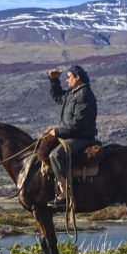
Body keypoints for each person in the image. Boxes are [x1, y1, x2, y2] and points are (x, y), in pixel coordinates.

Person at [44, 64, 98, 208]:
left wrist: (58, 131)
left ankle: (65, 194)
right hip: (71, 135)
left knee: (55, 155)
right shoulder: (73, 92)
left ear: (77, 77)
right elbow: (58, 97)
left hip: (82, 137)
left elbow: (78, 124)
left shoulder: (84, 94)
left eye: (68, 77)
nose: (66, 81)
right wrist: (54, 81)